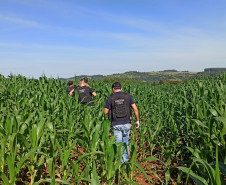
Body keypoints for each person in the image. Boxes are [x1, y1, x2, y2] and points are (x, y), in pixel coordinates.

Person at [104, 82, 139, 163]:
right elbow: (135, 109)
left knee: (118, 144)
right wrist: (137, 120)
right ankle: (125, 163)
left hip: (116, 124)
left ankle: (119, 164)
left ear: (113, 89)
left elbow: (105, 112)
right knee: (125, 143)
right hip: (127, 123)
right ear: (121, 88)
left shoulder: (111, 98)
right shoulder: (128, 96)